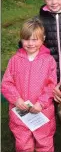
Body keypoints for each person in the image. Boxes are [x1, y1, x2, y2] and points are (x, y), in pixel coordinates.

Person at [1, 18, 57, 152]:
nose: (30, 43)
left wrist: (41, 103)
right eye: (26, 39)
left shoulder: (49, 61)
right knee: (23, 145)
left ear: (42, 39)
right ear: (21, 39)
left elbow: (51, 85)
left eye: (35, 39)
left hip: (42, 112)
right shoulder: (15, 60)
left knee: (45, 144)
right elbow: (6, 83)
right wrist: (16, 99)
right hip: (20, 113)